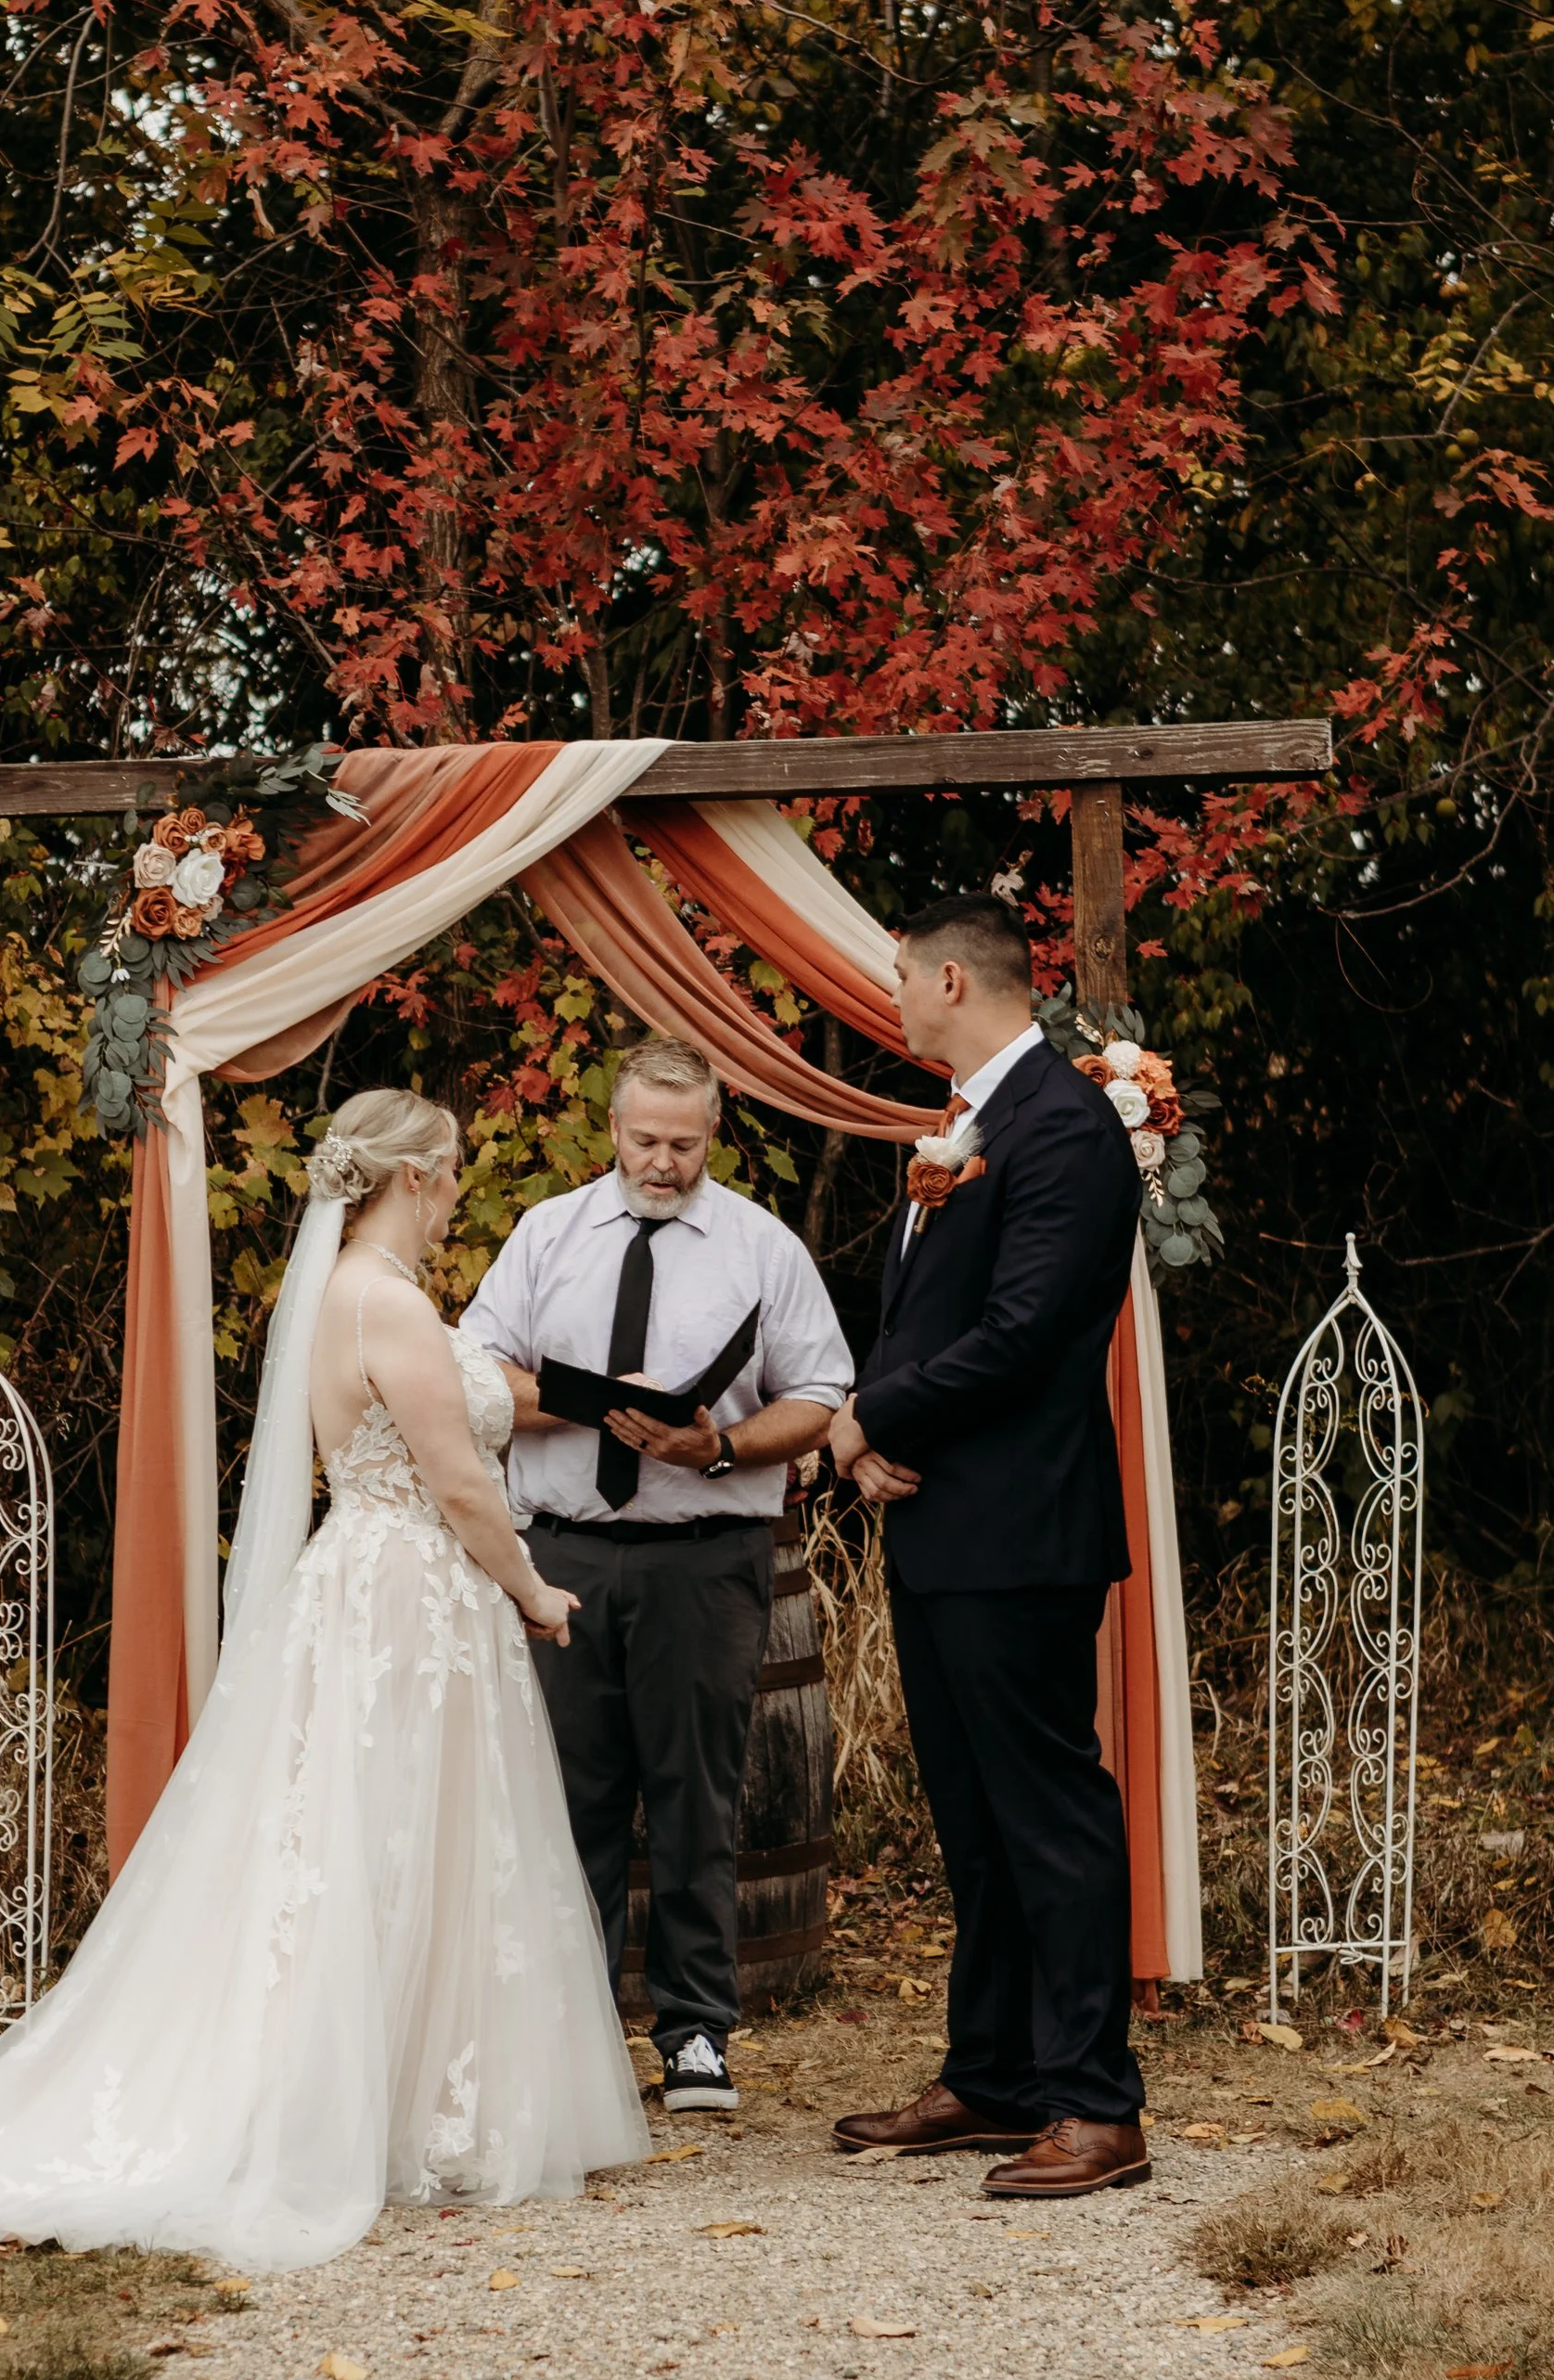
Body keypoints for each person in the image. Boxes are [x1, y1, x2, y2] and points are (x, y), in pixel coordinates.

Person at [0, 1091, 649, 2271]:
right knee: (391, 1840)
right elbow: (460, 1484)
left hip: (374, 1590)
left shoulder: (339, 1293)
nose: (462, 1190)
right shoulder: (392, 1305)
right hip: (406, 1600)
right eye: (454, 1171)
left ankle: (399, 2102)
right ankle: (381, 2112)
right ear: (411, 1178)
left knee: (362, 1844)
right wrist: (531, 1590)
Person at [460, 1037, 852, 2116]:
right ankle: (569, 2034)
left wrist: (716, 1449)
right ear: (614, 1128)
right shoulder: (548, 1236)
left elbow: (820, 1389)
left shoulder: (761, 1250)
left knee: (694, 1800)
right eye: (644, 1140)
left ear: (712, 1134)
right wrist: (589, 1403)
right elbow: (475, 1373)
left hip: (704, 1558)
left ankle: (694, 2035)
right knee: (568, 1801)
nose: (663, 1162)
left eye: (683, 1144)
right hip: (566, 1552)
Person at [827, 891, 1148, 2200]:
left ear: (954, 980)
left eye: (902, 976)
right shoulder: (969, 1126)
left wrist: (865, 1413)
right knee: (976, 1818)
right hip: (941, 1519)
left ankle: (1096, 2102)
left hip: (1019, 1526)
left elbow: (1024, 1331)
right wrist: (864, 1436)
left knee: (1049, 1812)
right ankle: (996, 2071)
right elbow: (924, 1322)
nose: (891, 995)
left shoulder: (1061, 1127)